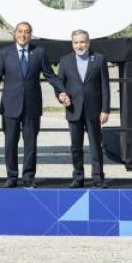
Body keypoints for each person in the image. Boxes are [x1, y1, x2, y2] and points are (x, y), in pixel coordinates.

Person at [0, 21, 64, 188]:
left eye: (26, 32)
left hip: (32, 106)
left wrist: (61, 90)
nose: (23, 35)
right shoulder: (4, 53)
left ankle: (28, 177)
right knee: (10, 144)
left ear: (30, 35)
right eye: (20, 31)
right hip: (10, 106)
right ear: (15, 34)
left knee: (30, 144)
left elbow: (50, 75)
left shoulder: (39, 52)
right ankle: (11, 177)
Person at [54, 29, 111, 188]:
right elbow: (59, 85)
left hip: (94, 111)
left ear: (88, 42)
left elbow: (105, 86)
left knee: (95, 146)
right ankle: (78, 177)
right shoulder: (65, 61)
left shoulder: (99, 59)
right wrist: (60, 96)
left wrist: (105, 110)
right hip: (74, 110)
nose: (79, 45)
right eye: (76, 42)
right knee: (76, 147)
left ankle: (98, 177)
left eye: (82, 42)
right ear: (72, 44)